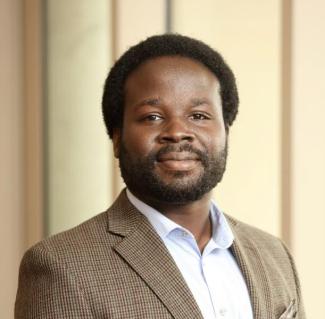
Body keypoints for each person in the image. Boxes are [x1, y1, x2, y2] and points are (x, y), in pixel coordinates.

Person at [15, 34, 305, 319]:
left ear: (226, 132)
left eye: (199, 116)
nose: (178, 131)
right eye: (152, 117)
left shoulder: (274, 255)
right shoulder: (61, 265)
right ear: (117, 138)